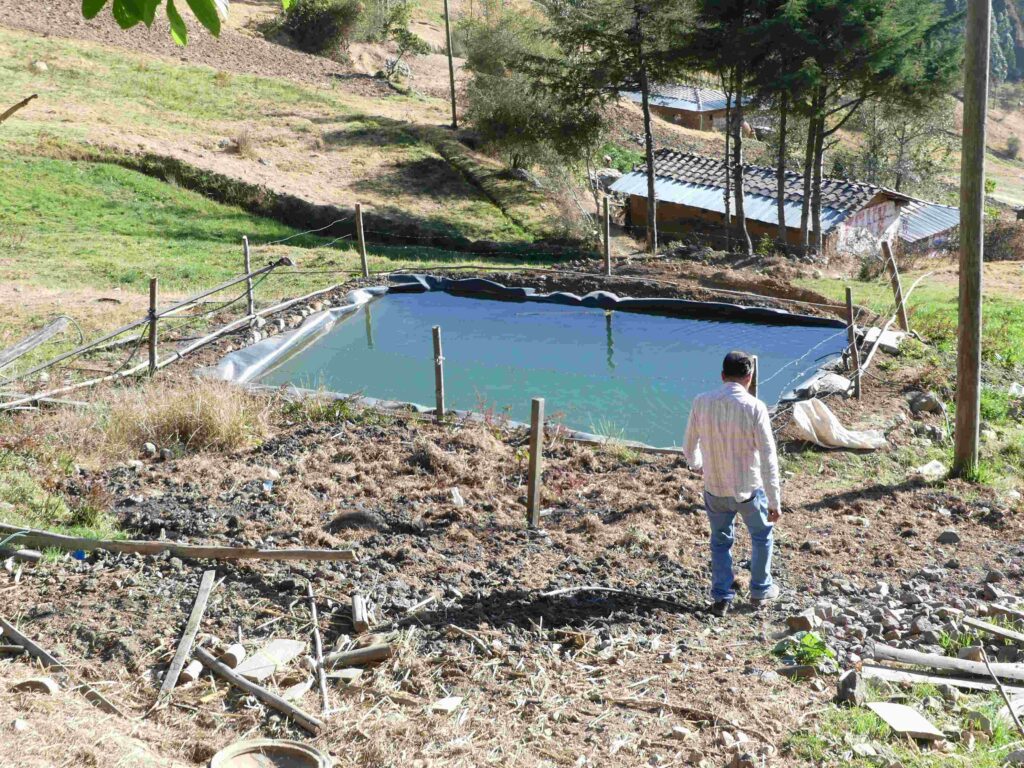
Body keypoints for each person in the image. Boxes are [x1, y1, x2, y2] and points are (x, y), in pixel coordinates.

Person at [683, 350, 781, 616]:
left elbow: (689, 445)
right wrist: (774, 500)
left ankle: (722, 596)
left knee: (720, 541)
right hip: (748, 488)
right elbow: (768, 457)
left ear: (722, 376)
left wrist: (698, 464)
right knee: (761, 536)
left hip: (714, 487)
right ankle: (760, 591)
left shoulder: (701, 402)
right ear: (749, 377)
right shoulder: (755, 407)